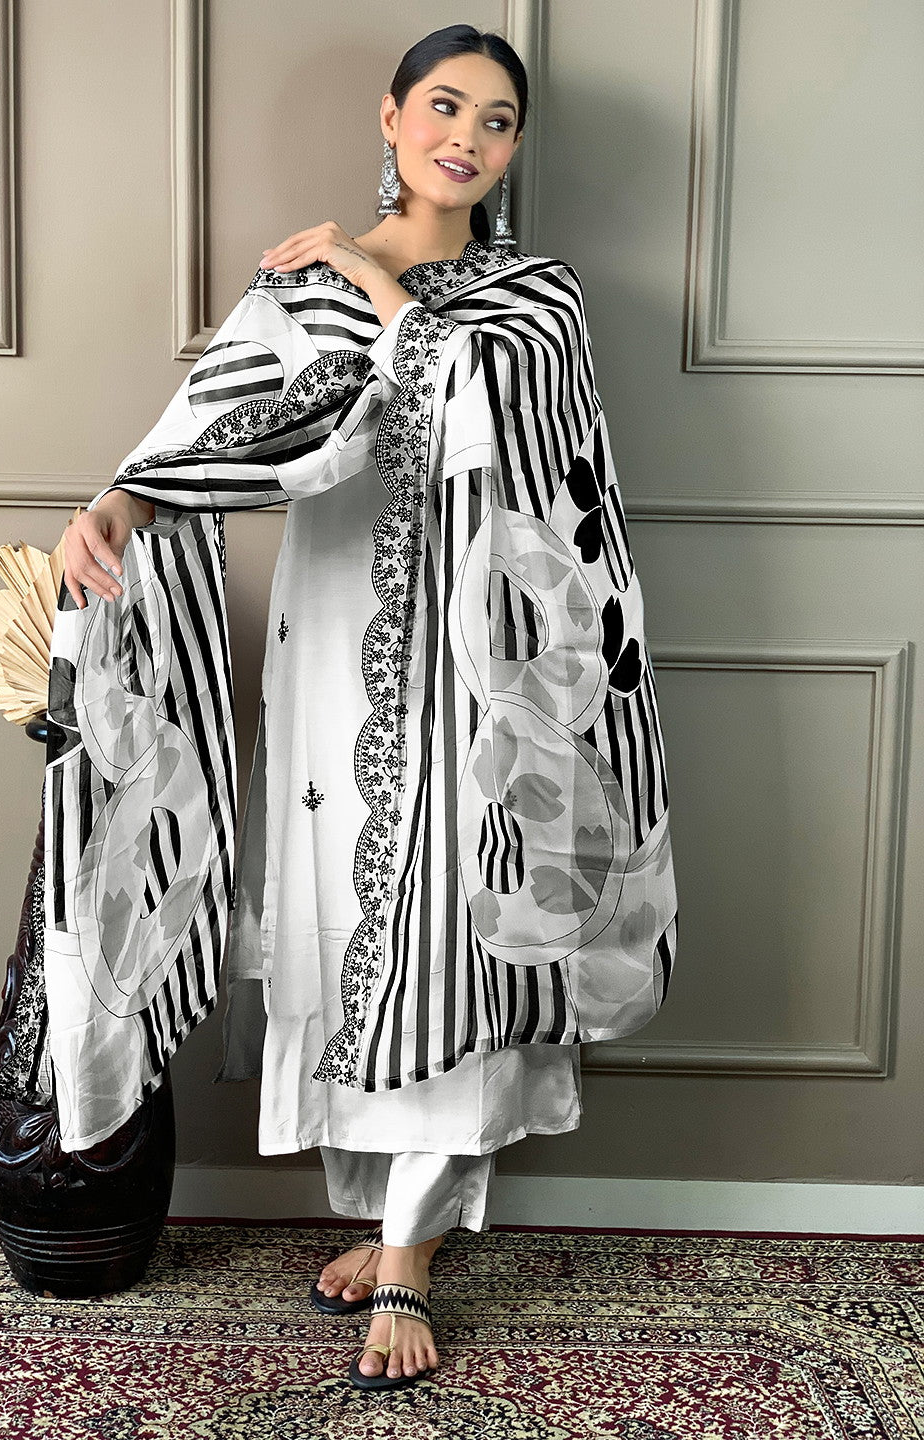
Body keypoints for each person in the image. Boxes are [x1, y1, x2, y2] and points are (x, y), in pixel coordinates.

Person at [48, 23, 677, 1393]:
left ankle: (405, 1251)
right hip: (335, 644)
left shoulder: (538, 299)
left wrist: (370, 275)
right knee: (352, 909)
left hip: (487, 661)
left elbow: (485, 426)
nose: (467, 137)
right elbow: (208, 429)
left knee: (459, 919)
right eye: (444, 106)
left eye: (497, 120)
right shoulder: (296, 292)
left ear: (514, 149)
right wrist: (115, 507)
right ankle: (403, 1212)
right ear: (391, 117)